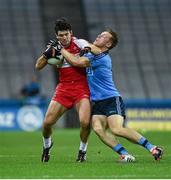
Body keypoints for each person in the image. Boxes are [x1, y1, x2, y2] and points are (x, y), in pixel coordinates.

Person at [57, 29, 163, 162]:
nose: (98, 36)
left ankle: (153, 148)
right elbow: (84, 53)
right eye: (99, 34)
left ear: (108, 44)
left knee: (117, 129)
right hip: (97, 102)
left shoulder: (103, 57)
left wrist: (62, 50)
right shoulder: (91, 55)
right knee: (97, 128)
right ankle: (124, 154)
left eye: (102, 36)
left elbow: (79, 60)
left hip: (111, 99)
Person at [35, 18, 101, 163]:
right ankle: (47, 146)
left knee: (84, 122)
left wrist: (88, 48)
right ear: (56, 35)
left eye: (66, 34)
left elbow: (98, 50)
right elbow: (38, 66)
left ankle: (82, 151)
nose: (64, 38)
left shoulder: (79, 43)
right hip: (64, 88)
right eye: (61, 35)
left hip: (81, 87)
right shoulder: (54, 48)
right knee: (46, 124)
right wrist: (47, 54)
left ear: (71, 33)